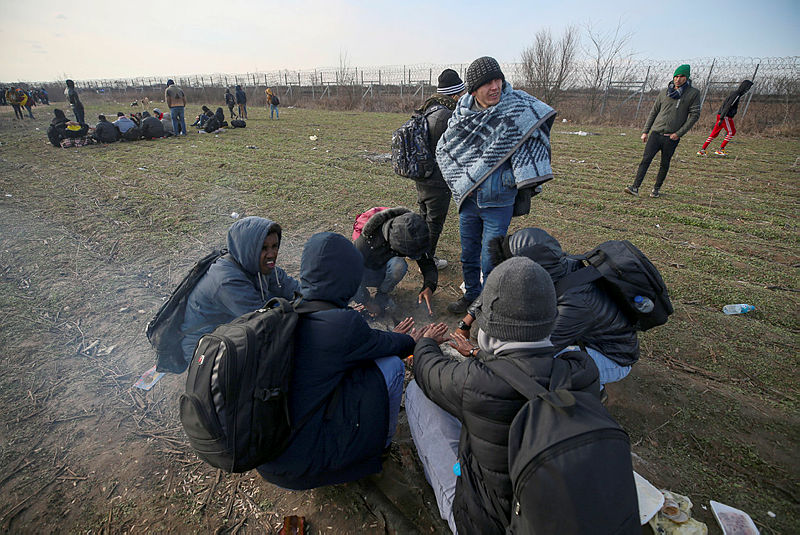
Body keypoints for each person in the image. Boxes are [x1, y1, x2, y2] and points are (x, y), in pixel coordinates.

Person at [406, 256, 600, 534]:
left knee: (417, 392)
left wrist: (424, 343)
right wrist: (478, 353)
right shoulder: (582, 371)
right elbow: (525, 364)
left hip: (487, 524)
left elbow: (428, 371)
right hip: (557, 515)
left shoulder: (476, 382)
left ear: (489, 328)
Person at [256, 231, 449, 489]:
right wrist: (418, 341)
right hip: (304, 466)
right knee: (391, 367)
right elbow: (386, 346)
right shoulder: (342, 323)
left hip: (269, 457)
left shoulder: (290, 308)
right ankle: (381, 446)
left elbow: (362, 344)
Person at [436, 56, 556, 315]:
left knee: (490, 260)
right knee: (468, 255)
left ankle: (488, 306)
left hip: (499, 199)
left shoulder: (517, 107)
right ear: (473, 90)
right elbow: (448, 148)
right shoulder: (463, 114)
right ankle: (471, 297)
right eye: (487, 83)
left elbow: (537, 124)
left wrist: (515, 177)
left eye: (497, 79)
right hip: (469, 198)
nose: (495, 87)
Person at [456, 227, 639, 386]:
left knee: (544, 371)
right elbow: (498, 284)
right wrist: (466, 322)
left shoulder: (575, 303)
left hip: (612, 357)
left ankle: (589, 392)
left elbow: (532, 357)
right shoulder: (554, 264)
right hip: (581, 336)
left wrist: (475, 352)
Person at [180, 216, 301, 366]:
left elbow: (293, 288)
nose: (271, 254)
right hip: (206, 347)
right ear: (248, 249)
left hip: (232, 332)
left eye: (275, 246)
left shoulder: (258, 264)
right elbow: (264, 321)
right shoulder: (226, 280)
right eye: (263, 248)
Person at [414, 69, 466, 270]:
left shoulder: (429, 108)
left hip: (422, 174)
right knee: (434, 222)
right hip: (437, 178)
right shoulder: (447, 116)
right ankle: (426, 262)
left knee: (424, 217)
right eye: (461, 94)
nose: (463, 98)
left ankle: (417, 252)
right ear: (454, 94)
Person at [625, 64, 701, 199]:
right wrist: (645, 131)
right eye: (676, 76)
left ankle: (656, 189)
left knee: (664, 163)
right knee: (645, 160)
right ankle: (635, 187)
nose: (678, 79)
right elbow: (654, 112)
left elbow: (694, 116)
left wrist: (679, 133)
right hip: (656, 133)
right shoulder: (664, 92)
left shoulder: (693, 94)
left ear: (687, 78)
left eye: (681, 76)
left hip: (671, 137)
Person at [352, 207, 437, 316]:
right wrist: (366, 302)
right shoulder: (365, 244)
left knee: (398, 266)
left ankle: (382, 293)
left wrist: (429, 286)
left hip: (384, 264)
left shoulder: (415, 233)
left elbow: (427, 262)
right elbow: (347, 277)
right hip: (367, 270)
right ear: (396, 246)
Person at [698, 79, 753, 156]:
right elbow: (728, 106)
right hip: (725, 116)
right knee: (731, 132)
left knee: (714, 134)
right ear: (744, 87)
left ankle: (702, 150)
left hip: (721, 115)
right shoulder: (736, 95)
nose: (748, 90)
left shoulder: (735, 94)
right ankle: (721, 149)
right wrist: (722, 118)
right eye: (748, 88)